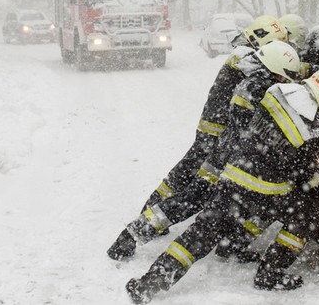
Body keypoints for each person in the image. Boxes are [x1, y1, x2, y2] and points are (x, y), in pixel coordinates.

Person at [125, 68, 319, 304]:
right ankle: (270, 274)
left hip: (232, 178)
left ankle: (149, 282)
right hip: (266, 193)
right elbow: (302, 178)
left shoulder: (275, 92)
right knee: (303, 216)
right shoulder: (313, 134)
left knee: (200, 234)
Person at [106, 15, 288, 260]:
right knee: (193, 189)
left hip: (220, 136)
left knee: (190, 184)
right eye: (277, 44)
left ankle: (142, 223)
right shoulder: (246, 58)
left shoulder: (247, 56)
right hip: (217, 135)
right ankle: (141, 224)